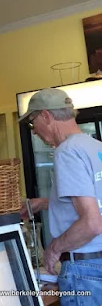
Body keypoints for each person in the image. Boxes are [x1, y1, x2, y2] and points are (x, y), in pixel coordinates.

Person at [18, 88, 102, 305]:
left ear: (46, 116)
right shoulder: (95, 147)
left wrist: (53, 250)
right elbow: (93, 202)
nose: (34, 131)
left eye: (32, 122)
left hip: (85, 269)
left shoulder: (67, 151)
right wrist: (46, 204)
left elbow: (92, 224)